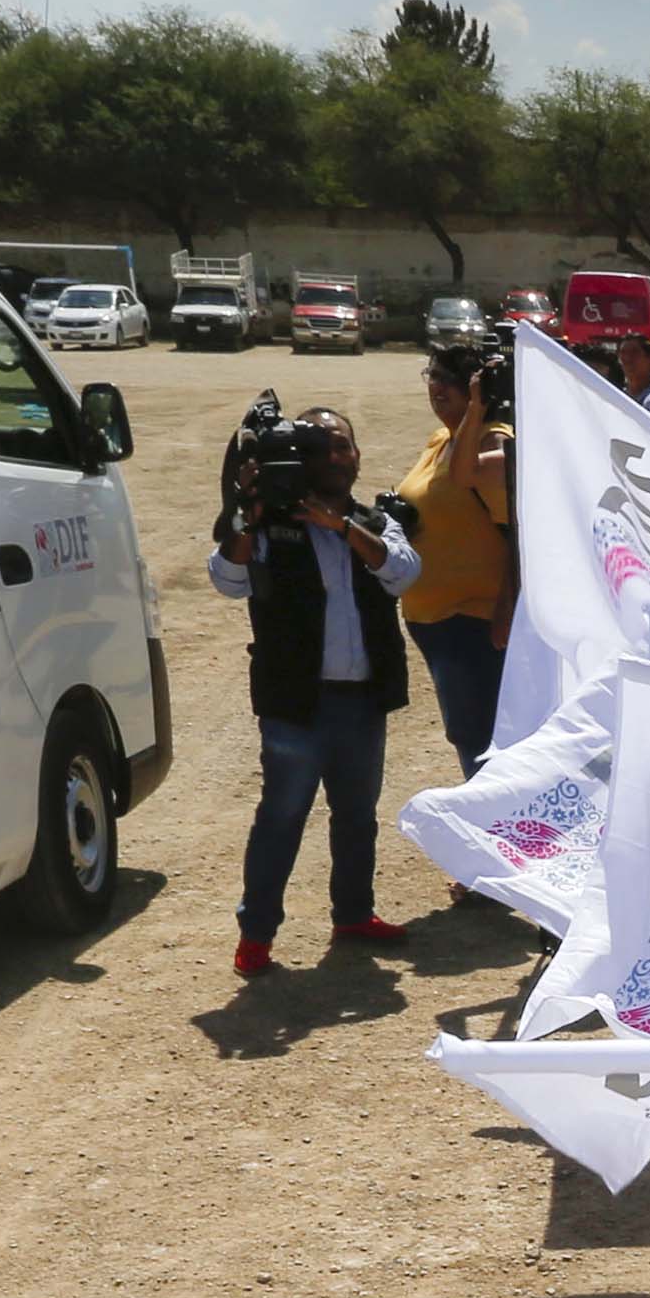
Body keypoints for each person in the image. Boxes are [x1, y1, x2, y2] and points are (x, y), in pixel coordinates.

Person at [211, 407, 422, 977]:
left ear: (357, 456)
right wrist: (247, 517)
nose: (336, 458)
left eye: (344, 447)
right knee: (282, 817)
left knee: (356, 816)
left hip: (360, 700)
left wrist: (341, 528)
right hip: (294, 702)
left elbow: (403, 571)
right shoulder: (268, 526)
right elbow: (226, 580)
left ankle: (353, 914)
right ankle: (256, 936)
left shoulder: (372, 519)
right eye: (322, 448)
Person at [396, 348, 515, 780]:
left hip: (475, 621)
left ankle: (495, 835)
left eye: (451, 379)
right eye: (432, 375)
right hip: (435, 621)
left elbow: (518, 539)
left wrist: (505, 607)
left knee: (480, 742)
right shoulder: (441, 439)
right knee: (467, 734)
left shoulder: (493, 442)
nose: (437, 386)